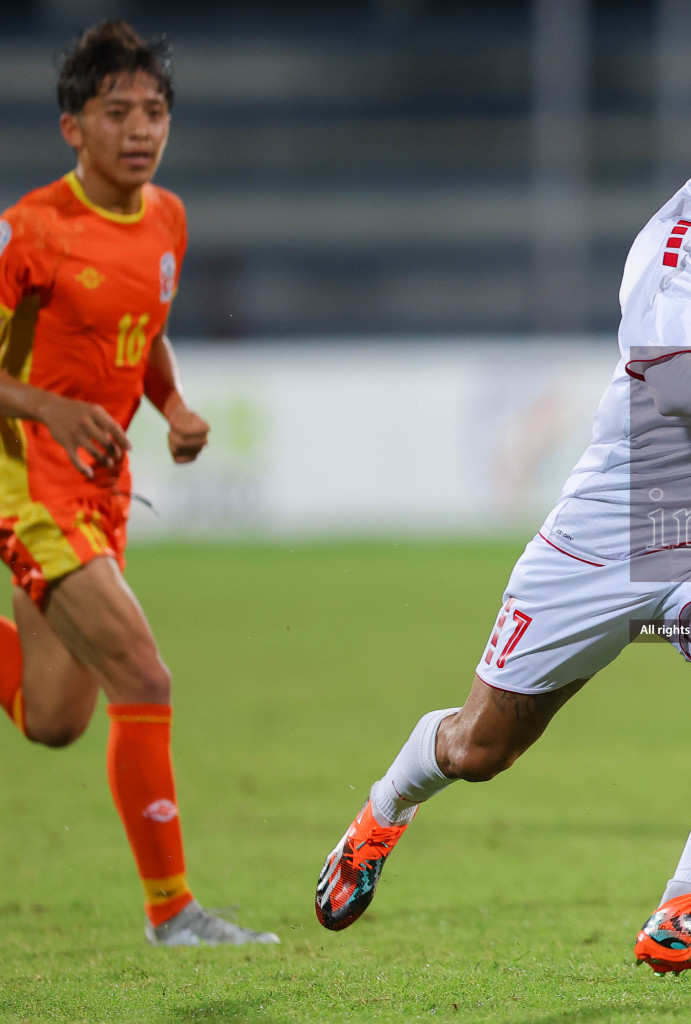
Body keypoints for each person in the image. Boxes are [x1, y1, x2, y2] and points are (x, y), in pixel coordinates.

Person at [314, 35, 691, 975]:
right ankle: (384, 810)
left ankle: (683, 906)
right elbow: (679, 386)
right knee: (481, 749)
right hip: (612, 531)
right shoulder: (673, 250)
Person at [0, 21, 278, 948]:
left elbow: (142, 325)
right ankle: (175, 914)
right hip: (27, 481)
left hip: (100, 484)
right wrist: (45, 408)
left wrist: (173, 407)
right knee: (142, 673)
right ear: (72, 127)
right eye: (116, 111)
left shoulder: (167, 218)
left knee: (52, 718)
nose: (140, 129)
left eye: (154, 111)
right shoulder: (30, 230)